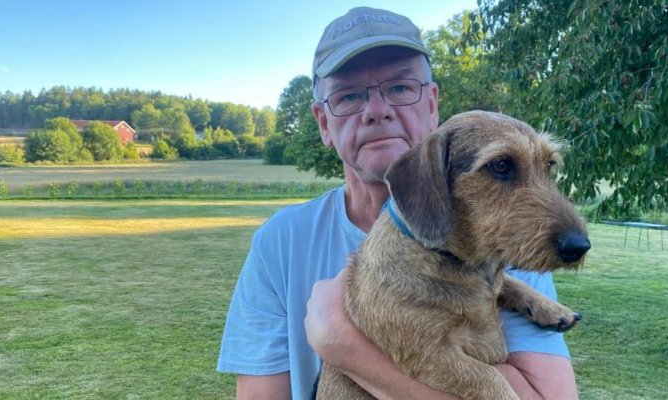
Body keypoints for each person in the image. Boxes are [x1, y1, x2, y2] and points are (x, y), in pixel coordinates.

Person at [218, 7, 579, 400]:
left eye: (401, 87)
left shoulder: (505, 241)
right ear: (323, 123)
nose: (377, 111)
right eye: (350, 95)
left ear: (432, 103)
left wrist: (341, 343)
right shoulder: (279, 243)